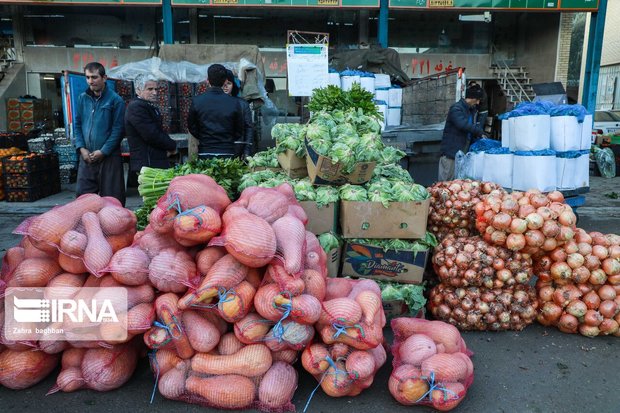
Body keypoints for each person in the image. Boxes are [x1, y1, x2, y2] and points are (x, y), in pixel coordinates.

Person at [74, 62, 126, 205]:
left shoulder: (116, 101)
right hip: (87, 158)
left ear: (104, 78)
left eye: (94, 77)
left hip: (109, 159)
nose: (91, 81)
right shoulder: (82, 98)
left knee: (112, 201)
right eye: (88, 77)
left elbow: (118, 130)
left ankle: (112, 227)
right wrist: (81, 148)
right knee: (83, 200)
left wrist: (103, 151)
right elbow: (77, 125)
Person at [187, 64, 244, 159]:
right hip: (227, 153)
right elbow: (239, 130)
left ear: (207, 80)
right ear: (225, 81)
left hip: (205, 152)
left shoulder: (197, 101)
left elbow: (192, 126)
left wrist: (203, 137)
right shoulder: (234, 103)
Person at [125, 74, 177, 174]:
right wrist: (172, 145)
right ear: (138, 90)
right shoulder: (136, 107)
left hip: (153, 161)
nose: (154, 93)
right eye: (150, 89)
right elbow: (152, 135)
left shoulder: (147, 106)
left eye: (156, 89)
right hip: (147, 163)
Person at [438, 83, 486, 182]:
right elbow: (462, 124)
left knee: (457, 184)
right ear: (472, 98)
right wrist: (479, 132)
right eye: (477, 100)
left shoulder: (471, 110)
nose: (478, 103)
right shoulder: (456, 108)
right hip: (451, 153)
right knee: (445, 183)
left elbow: (471, 127)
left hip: (462, 153)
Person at [222, 69, 254, 158]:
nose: (225, 86)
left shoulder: (242, 104)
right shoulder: (213, 103)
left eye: (229, 83)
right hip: (219, 147)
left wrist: (247, 150)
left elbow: (248, 127)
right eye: (223, 84)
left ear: (233, 85)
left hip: (238, 148)